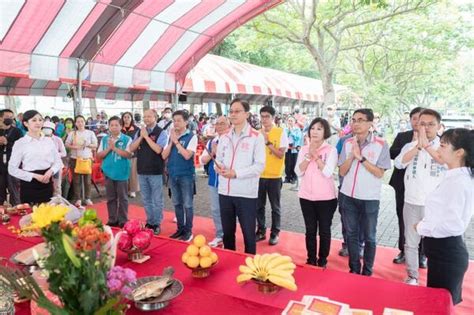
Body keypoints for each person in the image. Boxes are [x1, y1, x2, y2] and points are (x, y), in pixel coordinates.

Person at [416, 128, 473, 304]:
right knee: (437, 303)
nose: (438, 150)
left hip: (446, 254)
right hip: (442, 252)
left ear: (459, 152)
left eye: (442, 146)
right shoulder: (456, 176)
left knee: (439, 305)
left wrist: (420, 227)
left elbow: (452, 225)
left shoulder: (459, 182)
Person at [395, 109, 445, 285]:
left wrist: (427, 146)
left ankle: (436, 277)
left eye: (431, 124)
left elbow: (443, 161)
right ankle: (412, 276)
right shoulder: (410, 145)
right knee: (411, 242)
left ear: (439, 126)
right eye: (422, 123)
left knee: (435, 244)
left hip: (435, 205)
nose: (426, 127)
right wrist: (418, 146)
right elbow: (399, 163)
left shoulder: (445, 146)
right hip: (412, 201)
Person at [338, 108, 391, 276]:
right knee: (351, 235)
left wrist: (361, 158)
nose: (355, 123)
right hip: (348, 195)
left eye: (360, 120)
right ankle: (354, 269)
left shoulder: (381, 144)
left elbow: (380, 173)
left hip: (369, 198)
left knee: (370, 237)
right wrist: (351, 156)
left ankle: (367, 271)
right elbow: (342, 171)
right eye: (353, 120)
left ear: (370, 123)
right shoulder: (346, 142)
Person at [215, 99, 265, 254]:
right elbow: (219, 160)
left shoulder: (256, 137)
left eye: (237, 111)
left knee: (249, 234)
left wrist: (236, 173)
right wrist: (219, 168)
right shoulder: (224, 137)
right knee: (228, 233)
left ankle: (251, 266)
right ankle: (230, 263)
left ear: (247, 114)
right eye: (231, 111)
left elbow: (259, 166)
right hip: (225, 192)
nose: (233, 114)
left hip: (245, 193)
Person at [295, 118, 338, 267]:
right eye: (312, 128)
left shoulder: (331, 150)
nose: (315, 131)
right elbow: (298, 172)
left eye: (319, 129)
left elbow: (328, 172)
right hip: (306, 196)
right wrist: (308, 156)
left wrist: (317, 158)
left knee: (324, 230)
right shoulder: (303, 149)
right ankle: (311, 259)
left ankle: (322, 260)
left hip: (326, 198)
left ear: (325, 132)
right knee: (310, 230)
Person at [388, 107, 425, 266]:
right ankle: (404, 251)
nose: (417, 122)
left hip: (423, 189)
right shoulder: (403, 136)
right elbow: (391, 153)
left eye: (420, 119)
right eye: (414, 118)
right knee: (403, 219)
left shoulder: (435, 140)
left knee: (424, 221)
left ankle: (422, 255)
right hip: (402, 185)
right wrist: (410, 146)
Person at [8, 110, 63, 204]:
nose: (38, 122)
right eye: (34, 120)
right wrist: (35, 176)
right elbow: (12, 169)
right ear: (25, 123)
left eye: (40, 120)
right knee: (31, 215)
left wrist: (50, 171)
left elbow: (58, 161)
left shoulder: (48, 141)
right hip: (29, 184)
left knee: (48, 214)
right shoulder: (20, 143)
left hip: (47, 181)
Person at [129, 109, 168, 235]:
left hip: (155, 171)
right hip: (142, 170)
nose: (146, 119)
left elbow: (158, 150)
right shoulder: (140, 132)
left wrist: (146, 137)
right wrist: (141, 136)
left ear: (155, 117)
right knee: (146, 199)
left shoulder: (161, 132)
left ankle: (156, 223)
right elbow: (131, 148)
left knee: (157, 199)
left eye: (149, 116)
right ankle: (150, 221)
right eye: (145, 116)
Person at [162, 110, 198, 242]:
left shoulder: (191, 136)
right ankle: (180, 228)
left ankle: (188, 230)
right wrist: (171, 142)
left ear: (186, 122)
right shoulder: (170, 137)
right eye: (174, 120)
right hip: (173, 174)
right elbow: (164, 155)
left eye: (179, 120)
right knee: (177, 203)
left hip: (186, 175)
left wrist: (176, 142)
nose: (176, 123)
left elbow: (187, 155)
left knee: (187, 204)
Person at [256, 106, 288, 245]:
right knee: (258, 206)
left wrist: (268, 142)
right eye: (262, 116)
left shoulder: (281, 132)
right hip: (258, 176)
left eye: (267, 116)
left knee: (275, 207)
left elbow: (281, 154)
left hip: (274, 176)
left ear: (273, 117)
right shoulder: (257, 133)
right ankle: (261, 231)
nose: (264, 119)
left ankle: (275, 233)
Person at [200, 116, 231, 247]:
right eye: (217, 124)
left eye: (223, 124)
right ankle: (219, 235)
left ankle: (229, 237)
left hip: (229, 181)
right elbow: (203, 160)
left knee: (228, 211)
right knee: (215, 209)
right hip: (214, 181)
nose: (219, 126)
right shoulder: (212, 142)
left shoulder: (232, 141)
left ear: (229, 126)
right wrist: (212, 152)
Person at [97, 116, 132, 228]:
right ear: (109, 126)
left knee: (123, 198)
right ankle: (112, 219)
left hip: (122, 172)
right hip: (108, 172)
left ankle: (123, 220)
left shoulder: (127, 139)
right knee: (111, 197)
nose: (114, 127)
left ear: (121, 126)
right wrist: (109, 148)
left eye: (116, 125)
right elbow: (99, 155)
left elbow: (128, 154)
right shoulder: (104, 139)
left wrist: (115, 148)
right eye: (111, 125)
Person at [65, 115, 98, 207]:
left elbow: (95, 145)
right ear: (75, 123)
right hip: (75, 159)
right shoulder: (72, 133)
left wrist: (86, 144)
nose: (80, 123)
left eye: (82, 121)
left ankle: (87, 198)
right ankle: (78, 199)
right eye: (78, 121)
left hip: (87, 159)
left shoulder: (90, 133)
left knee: (87, 180)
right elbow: (67, 144)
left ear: (85, 122)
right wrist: (74, 147)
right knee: (76, 180)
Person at [0, 109, 22, 206]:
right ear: (1, 118)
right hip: (0, 165)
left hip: (12, 164)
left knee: (14, 190)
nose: (9, 119)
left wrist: (7, 143)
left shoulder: (17, 131)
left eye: (11, 117)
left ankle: (17, 209)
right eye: (7, 117)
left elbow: (21, 148)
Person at [42, 121, 67, 196]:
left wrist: (55, 154)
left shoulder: (57, 139)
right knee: (45, 184)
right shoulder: (39, 140)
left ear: (52, 130)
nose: (46, 130)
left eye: (48, 128)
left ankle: (58, 201)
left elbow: (64, 153)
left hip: (56, 166)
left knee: (57, 185)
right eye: (44, 128)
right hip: (44, 165)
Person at [121, 112, 140, 198]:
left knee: (132, 173)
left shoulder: (136, 129)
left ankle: (132, 190)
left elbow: (138, 141)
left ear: (131, 118)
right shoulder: (120, 128)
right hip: (121, 154)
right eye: (125, 117)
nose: (126, 119)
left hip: (133, 154)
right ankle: (124, 190)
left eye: (128, 117)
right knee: (123, 172)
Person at [284, 116, 303, 184]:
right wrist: (288, 131)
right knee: (287, 163)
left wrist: (291, 131)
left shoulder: (297, 129)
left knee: (294, 163)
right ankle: (287, 177)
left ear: (294, 122)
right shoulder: (285, 129)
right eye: (289, 120)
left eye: (291, 121)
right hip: (287, 149)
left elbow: (298, 138)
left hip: (294, 149)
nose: (290, 122)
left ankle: (294, 177)